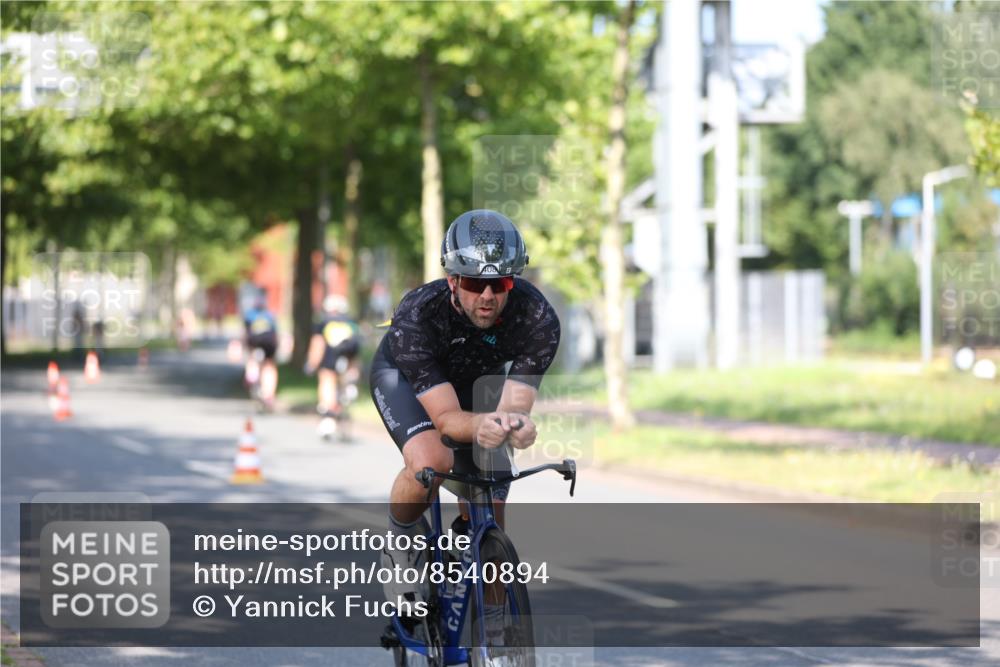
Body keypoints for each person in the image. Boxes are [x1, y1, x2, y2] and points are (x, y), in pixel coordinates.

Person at [369, 209, 561, 605]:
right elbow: (447, 420)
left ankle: (497, 632)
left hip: (475, 380)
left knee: (491, 495)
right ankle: (400, 542)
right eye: (475, 283)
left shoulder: (537, 320)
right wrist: (480, 428)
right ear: (452, 280)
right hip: (407, 379)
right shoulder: (418, 315)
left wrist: (516, 427)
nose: (488, 296)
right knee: (433, 461)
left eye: (500, 282)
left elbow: (514, 409)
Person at [304, 294, 363, 437]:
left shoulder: (324, 322)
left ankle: (328, 418)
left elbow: (318, 344)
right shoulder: (351, 323)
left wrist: (311, 364)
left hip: (329, 359)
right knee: (344, 384)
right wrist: (356, 370)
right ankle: (346, 397)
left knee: (327, 382)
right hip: (348, 359)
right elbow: (357, 348)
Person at [243, 290, 279, 409]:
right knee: (269, 365)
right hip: (269, 342)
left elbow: (245, 333)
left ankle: (252, 376)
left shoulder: (249, 315)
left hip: (255, 342)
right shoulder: (270, 315)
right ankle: (269, 393)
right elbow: (275, 333)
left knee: (253, 358)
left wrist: (245, 346)